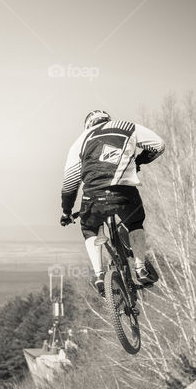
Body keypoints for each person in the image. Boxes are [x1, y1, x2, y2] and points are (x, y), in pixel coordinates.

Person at [60, 110, 165, 295]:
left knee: (90, 229)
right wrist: (139, 161)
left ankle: (100, 276)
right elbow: (159, 145)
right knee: (134, 223)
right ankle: (140, 268)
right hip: (124, 192)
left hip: (92, 196)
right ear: (108, 119)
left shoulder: (80, 141)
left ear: (87, 125)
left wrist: (66, 212)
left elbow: (70, 182)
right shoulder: (126, 126)